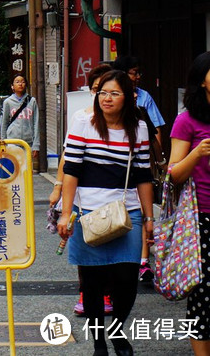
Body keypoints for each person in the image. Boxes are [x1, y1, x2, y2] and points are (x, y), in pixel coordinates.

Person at [58, 70, 153, 356]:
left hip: (128, 211)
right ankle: (100, 342)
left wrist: (149, 219)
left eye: (114, 93)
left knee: (127, 279)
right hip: (86, 212)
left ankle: (116, 329)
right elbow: (71, 170)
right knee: (93, 282)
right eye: (102, 93)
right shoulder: (82, 122)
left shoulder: (139, 129)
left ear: (128, 97)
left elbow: (144, 175)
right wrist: (65, 213)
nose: (106, 98)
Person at [49, 62, 113, 317]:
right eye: (98, 89)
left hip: (114, 199)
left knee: (110, 246)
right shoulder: (81, 117)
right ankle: (86, 293)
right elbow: (68, 156)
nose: (103, 95)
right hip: (82, 196)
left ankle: (107, 292)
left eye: (108, 89)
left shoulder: (130, 120)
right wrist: (58, 187)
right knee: (85, 247)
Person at [166, 51, 210, 354]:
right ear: (202, 80)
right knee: (204, 295)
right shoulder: (187, 121)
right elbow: (173, 175)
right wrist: (196, 154)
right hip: (202, 219)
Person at [113, 55, 166, 283]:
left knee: (144, 208)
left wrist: (156, 161)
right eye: (133, 72)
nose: (137, 77)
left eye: (137, 73)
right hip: (115, 165)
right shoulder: (111, 97)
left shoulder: (144, 98)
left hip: (140, 162)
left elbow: (156, 131)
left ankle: (143, 262)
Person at [0, 75, 39, 154]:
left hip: (28, 143)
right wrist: (3, 142)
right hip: (12, 141)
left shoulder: (32, 101)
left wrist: (36, 145)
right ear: (12, 86)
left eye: (23, 82)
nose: (20, 84)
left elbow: (36, 123)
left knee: (27, 165)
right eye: (17, 82)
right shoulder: (8, 102)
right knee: (14, 165)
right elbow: (4, 123)